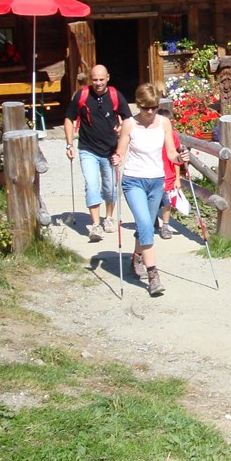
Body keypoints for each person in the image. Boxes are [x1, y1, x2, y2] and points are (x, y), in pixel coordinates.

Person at [113, 83, 181, 298]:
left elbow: (171, 153)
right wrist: (117, 159)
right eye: (145, 108)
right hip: (133, 181)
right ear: (138, 105)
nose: (150, 112)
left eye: (153, 107)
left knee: (146, 227)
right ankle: (154, 277)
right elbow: (121, 153)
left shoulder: (164, 123)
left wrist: (181, 158)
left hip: (156, 182)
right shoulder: (129, 124)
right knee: (146, 225)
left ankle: (136, 256)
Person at [64, 65, 132, 242]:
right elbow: (68, 118)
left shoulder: (116, 96)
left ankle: (108, 218)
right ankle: (95, 225)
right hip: (88, 149)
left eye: (101, 79)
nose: (98, 83)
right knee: (92, 185)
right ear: (90, 79)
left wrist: (121, 131)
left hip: (111, 150)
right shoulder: (82, 95)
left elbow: (128, 119)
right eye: (95, 80)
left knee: (110, 188)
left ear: (108, 78)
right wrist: (69, 144)